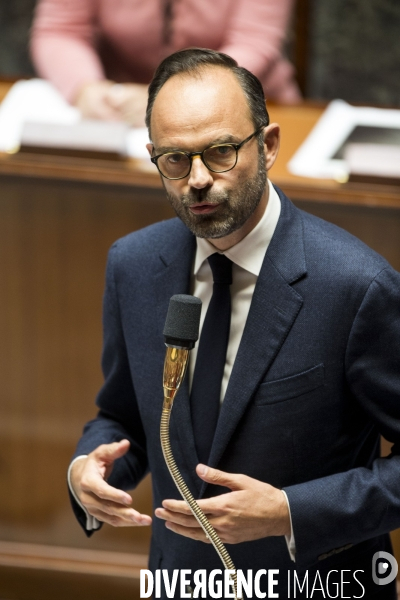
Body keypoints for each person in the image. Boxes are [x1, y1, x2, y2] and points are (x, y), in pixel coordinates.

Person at [68, 48, 400, 598]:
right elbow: (125, 413)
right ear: (153, 157)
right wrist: (90, 471)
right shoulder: (133, 265)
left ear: (267, 145)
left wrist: (291, 511)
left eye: (220, 152)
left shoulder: (356, 285)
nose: (197, 179)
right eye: (175, 159)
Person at [30, 0, 300, 126]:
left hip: (246, 109)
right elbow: (61, 30)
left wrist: (166, 98)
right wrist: (85, 87)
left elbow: (254, 42)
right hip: (120, 116)